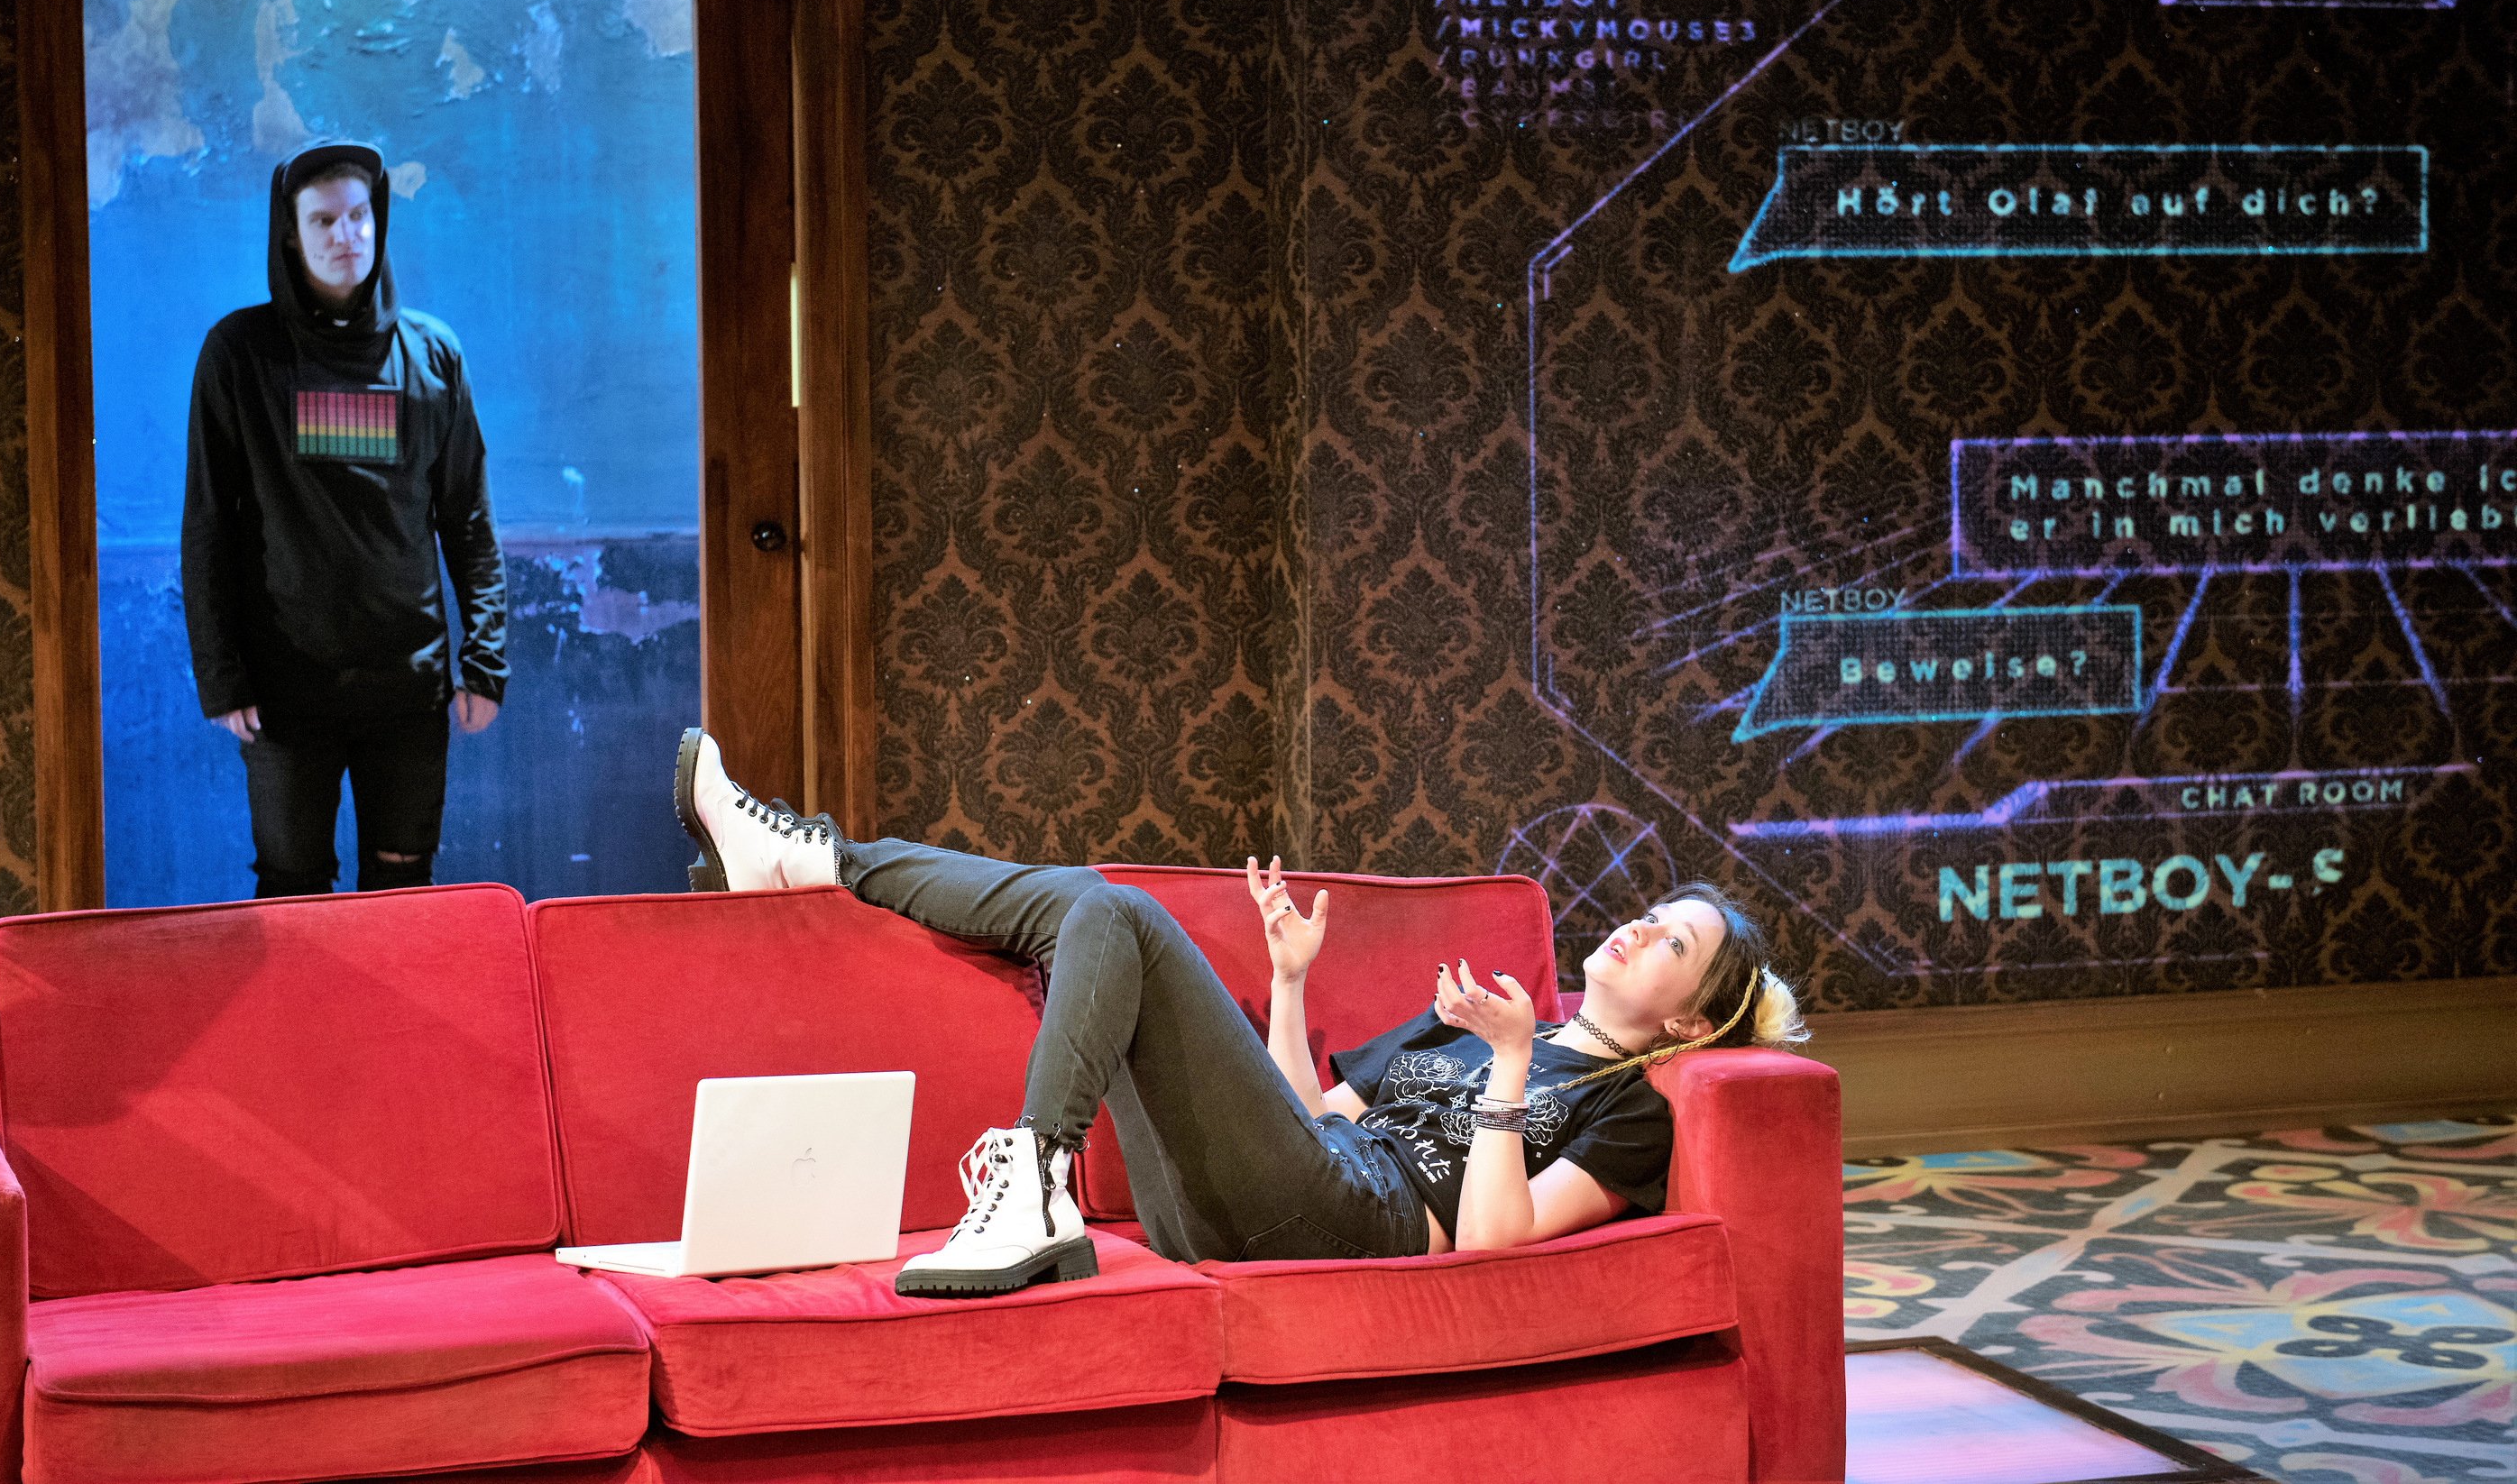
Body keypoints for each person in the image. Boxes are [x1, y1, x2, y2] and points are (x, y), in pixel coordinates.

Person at [671, 727, 1808, 1297]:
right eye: (1651, 914)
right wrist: (1292, 980)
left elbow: (1489, 1242)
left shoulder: (1626, 1107)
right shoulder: (1480, 1015)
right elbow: (1308, 1113)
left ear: (1687, 1023)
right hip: (1266, 1195)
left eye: (1675, 943)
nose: (1640, 929)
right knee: (1083, 911)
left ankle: (1034, 1176)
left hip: (1357, 1224)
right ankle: (813, 861)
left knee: (1115, 914)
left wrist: (1512, 1066)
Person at [182, 142, 508, 898]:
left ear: (378, 221)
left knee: (403, 892)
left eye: (359, 216)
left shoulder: (433, 356)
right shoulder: (239, 355)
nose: (346, 235)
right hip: (285, 688)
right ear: (291, 233)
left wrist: (486, 660)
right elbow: (209, 525)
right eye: (323, 220)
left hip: (408, 687)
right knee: (293, 892)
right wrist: (222, 676)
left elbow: (468, 518)